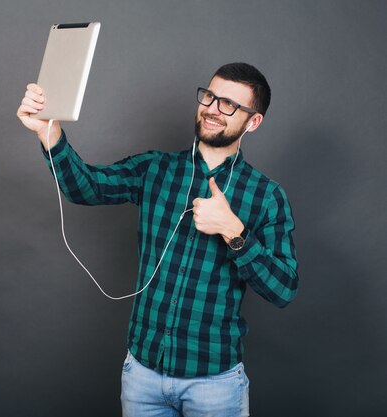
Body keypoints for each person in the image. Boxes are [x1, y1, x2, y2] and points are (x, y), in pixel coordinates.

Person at [17, 62, 298, 417]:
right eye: (210, 97)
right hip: (143, 377)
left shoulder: (266, 195)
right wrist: (48, 132)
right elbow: (85, 186)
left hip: (215, 384)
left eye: (229, 104)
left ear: (253, 121)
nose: (213, 109)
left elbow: (284, 288)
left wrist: (234, 232)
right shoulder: (156, 168)